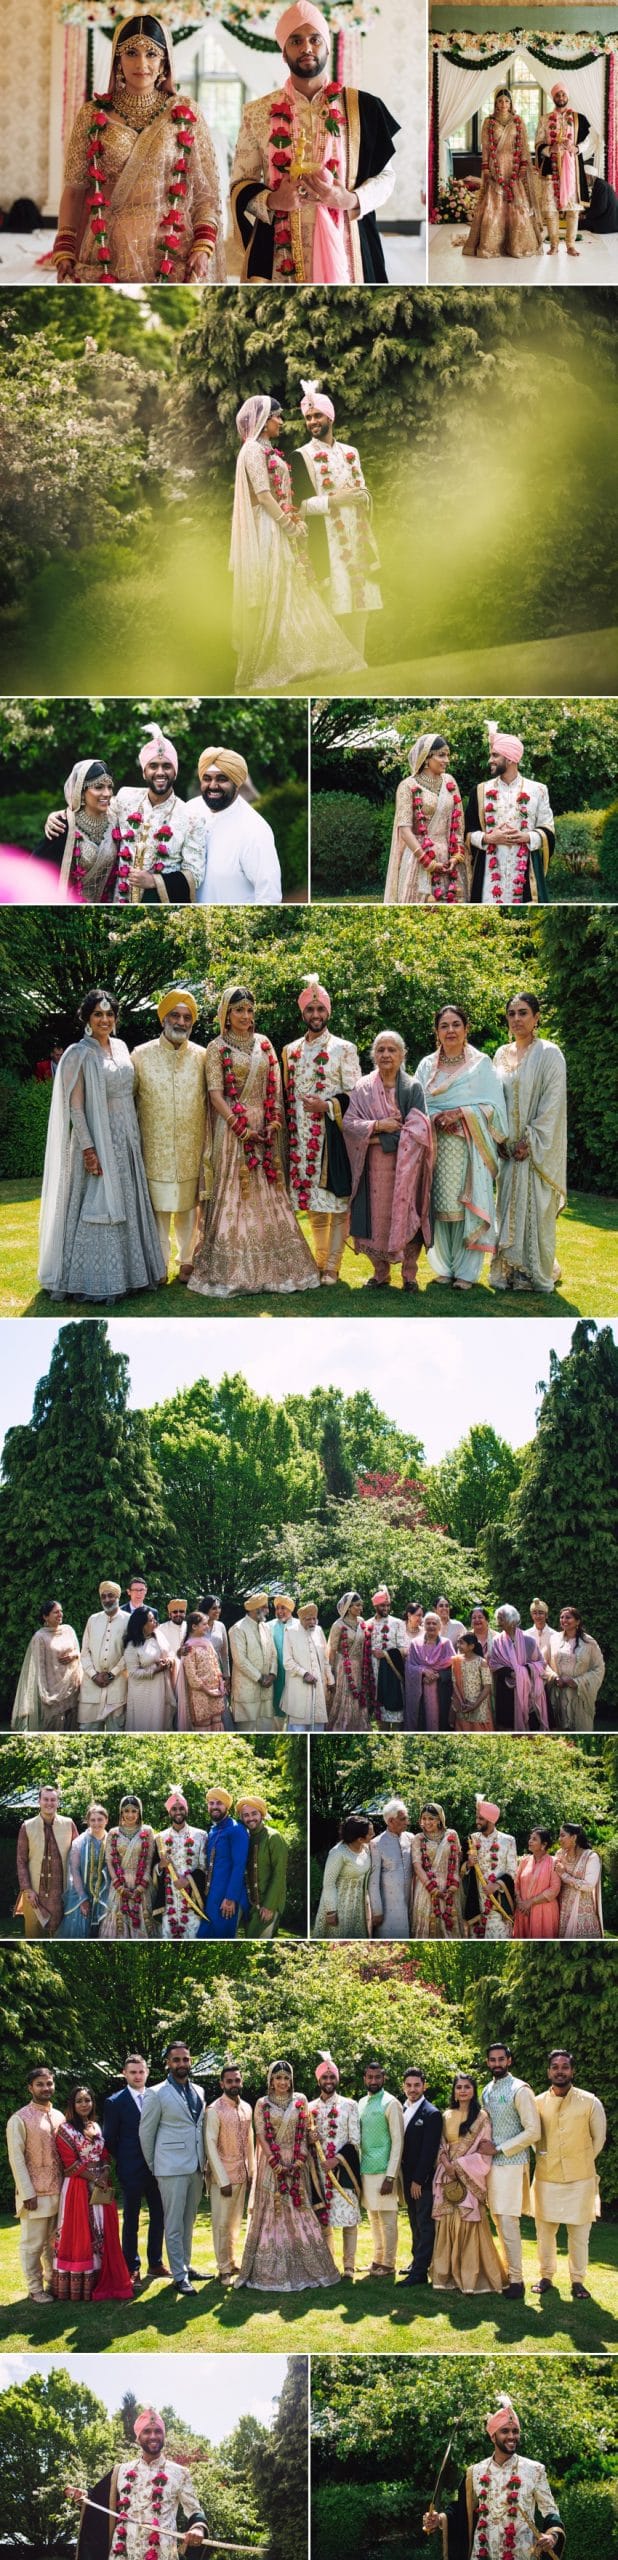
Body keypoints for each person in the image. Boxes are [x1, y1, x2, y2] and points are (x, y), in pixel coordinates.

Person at [231, 0, 398, 284]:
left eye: (314, 39)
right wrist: (273, 200)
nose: (306, 47)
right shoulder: (257, 112)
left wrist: (351, 199)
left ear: (328, 47)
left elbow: (387, 176)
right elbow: (240, 183)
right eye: (296, 40)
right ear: (284, 53)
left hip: (347, 247)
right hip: (279, 254)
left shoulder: (365, 108)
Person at [52, 14, 224, 284]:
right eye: (131, 52)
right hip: (108, 247)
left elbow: (206, 193)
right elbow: (75, 189)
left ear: (164, 61)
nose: (141, 63)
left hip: (173, 248)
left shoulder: (185, 113)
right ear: (118, 59)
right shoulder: (92, 115)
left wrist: (204, 245)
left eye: (151, 53)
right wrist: (64, 246)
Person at [188, 983, 319, 1299]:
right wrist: (238, 1126)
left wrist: (273, 1123)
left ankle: (277, 1266)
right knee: (235, 1192)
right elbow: (215, 1094)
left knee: (268, 1192)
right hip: (233, 1130)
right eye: (239, 1010)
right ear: (226, 1014)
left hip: (265, 1129)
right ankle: (231, 1267)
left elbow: (274, 1087)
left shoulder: (264, 1044)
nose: (246, 1016)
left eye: (249, 1010)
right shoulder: (217, 1048)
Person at [38, 987, 166, 1302]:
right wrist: (88, 1148)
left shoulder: (122, 1048)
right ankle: (94, 1277)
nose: (104, 1019)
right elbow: (75, 1106)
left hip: (127, 1138)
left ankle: (133, 1273)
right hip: (99, 1137)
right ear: (87, 1018)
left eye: (109, 1014)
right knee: (98, 1204)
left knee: (128, 1201)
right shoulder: (78, 1053)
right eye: (98, 1014)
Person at [230, 396, 361, 693]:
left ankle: (304, 657)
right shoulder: (252, 450)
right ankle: (266, 667)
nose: (281, 422)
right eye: (277, 417)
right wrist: (288, 524)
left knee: (292, 589)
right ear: (265, 421)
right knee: (276, 589)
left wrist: (293, 519)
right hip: (267, 527)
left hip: (276, 524)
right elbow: (263, 495)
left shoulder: (265, 449)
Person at [415, 1004, 508, 1287]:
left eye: (456, 1024)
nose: (451, 1030)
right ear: (437, 1032)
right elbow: (417, 1107)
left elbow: (495, 1106)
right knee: (441, 1206)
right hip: (437, 1146)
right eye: (444, 1026)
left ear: (466, 1029)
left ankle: (467, 1273)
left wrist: (462, 1114)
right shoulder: (426, 1065)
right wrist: (436, 1117)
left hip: (470, 1148)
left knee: (466, 1206)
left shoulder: (480, 1064)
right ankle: (445, 1267)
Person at [291, 382, 382, 660]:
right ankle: (343, 667)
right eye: (308, 417)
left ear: (330, 417)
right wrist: (334, 501)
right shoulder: (302, 457)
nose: (312, 422)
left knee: (363, 603)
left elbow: (364, 489)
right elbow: (300, 506)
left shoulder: (351, 452)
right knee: (336, 606)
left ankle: (361, 664)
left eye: (317, 416)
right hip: (328, 542)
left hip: (359, 537)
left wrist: (361, 497)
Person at [283, 975, 361, 1283]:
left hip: (333, 1136)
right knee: (312, 1202)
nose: (316, 1015)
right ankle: (318, 1261)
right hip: (299, 1138)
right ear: (303, 1013)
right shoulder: (290, 1050)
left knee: (335, 1202)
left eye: (321, 1009)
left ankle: (333, 1265)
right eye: (310, 1009)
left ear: (328, 1011)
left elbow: (357, 1094)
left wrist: (327, 1106)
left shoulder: (344, 1048)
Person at [423, 2393, 565, 2560]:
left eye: (515, 2431)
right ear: (493, 2436)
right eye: (505, 2431)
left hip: (523, 2555)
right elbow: (461, 2510)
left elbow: (550, 2510)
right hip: (482, 2554)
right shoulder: (474, 2472)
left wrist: (552, 2536)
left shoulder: (535, 2470)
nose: (512, 2436)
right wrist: (439, 2520)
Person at [344, 1030, 432, 1291]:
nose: (385, 1054)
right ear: (373, 1055)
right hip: (371, 1171)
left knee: (407, 1216)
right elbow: (350, 1125)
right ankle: (380, 1274)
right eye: (380, 1049)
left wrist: (377, 1138)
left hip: (407, 1169)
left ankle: (410, 1276)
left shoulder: (412, 1087)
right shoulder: (362, 1088)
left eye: (391, 1049)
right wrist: (379, 1126)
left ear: (402, 1055)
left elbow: (419, 1130)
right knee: (374, 1220)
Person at [491, 993, 567, 1295]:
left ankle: (531, 1273)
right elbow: (494, 1100)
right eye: (511, 1013)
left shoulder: (550, 1054)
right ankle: (508, 1270)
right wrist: (497, 1136)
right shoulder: (499, 1055)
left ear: (537, 1017)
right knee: (506, 1209)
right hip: (508, 1153)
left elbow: (553, 1104)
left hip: (534, 1152)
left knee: (534, 1210)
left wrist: (530, 1140)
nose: (517, 1019)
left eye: (523, 1013)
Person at [238, 2060, 338, 2290]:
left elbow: (304, 2133)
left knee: (299, 2208)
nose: (283, 2082)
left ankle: (307, 2266)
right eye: (278, 2078)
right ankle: (267, 2270)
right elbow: (261, 2135)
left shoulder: (300, 2100)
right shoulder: (262, 2103)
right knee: (273, 2211)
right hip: (271, 2164)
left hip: (296, 2162)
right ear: (270, 2081)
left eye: (286, 2078)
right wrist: (275, 2163)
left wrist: (299, 2160)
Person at [132, 990, 208, 1281]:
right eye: (174, 1015)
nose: (181, 1021)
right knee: (158, 1209)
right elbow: (128, 1099)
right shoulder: (140, 1055)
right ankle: (158, 1263)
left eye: (187, 1017)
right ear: (163, 1018)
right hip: (155, 1146)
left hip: (192, 1144)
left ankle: (187, 1261)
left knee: (189, 1208)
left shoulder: (202, 1056)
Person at [69, 2408, 207, 2560]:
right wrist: (81, 2495)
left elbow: (194, 2510)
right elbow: (96, 2499)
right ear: (138, 2437)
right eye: (147, 2431)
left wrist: (198, 2528)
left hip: (163, 2554)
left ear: (164, 2436)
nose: (153, 2436)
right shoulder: (120, 2471)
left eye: (158, 2431)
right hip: (121, 2554)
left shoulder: (180, 2473)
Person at [532, 2048, 607, 2300]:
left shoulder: (590, 2102)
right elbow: (533, 2137)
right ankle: (546, 2276)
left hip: (581, 2179)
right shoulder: (538, 2103)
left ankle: (577, 2281)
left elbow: (599, 2139)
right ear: (549, 2071)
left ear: (572, 2071)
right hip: (546, 2178)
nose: (560, 2070)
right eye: (555, 2066)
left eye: (565, 2066)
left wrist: (580, 2160)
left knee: (579, 2236)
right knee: (544, 2234)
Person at [52, 2082, 132, 2304]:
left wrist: (105, 2170)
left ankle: (102, 2276)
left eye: (87, 2100)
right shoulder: (65, 2130)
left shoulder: (95, 2126)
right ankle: (81, 2284)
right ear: (72, 2104)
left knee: (103, 2229)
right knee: (81, 2232)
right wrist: (95, 2178)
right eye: (79, 2101)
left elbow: (104, 2153)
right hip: (78, 2187)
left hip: (101, 2185)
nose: (84, 2104)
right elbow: (70, 2164)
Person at [139, 2041, 206, 2295]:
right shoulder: (156, 2093)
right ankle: (178, 2276)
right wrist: (157, 2167)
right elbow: (146, 2134)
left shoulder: (199, 2090)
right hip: (170, 2168)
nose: (182, 2064)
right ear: (167, 2062)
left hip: (196, 2166)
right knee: (174, 2223)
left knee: (188, 2221)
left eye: (185, 2059)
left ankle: (185, 2267)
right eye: (176, 2060)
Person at [431, 2071, 505, 2295]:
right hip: (447, 2175)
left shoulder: (482, 2117)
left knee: (469, 2222)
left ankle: (471, 2276)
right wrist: (447, 2164)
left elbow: (484, 2150)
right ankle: (446, 2275)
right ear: (454, 2091)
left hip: (469, 2175)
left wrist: (459, 2166)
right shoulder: (446, 2115)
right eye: (459, 2087)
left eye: (467, 2087)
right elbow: (441, 2145)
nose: (462, 2091)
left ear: (474, 2091)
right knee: (446, 2223)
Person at [466, 726, 555, 906]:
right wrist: (488, 838)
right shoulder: (480, 791)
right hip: (488, 874)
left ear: (510, 758)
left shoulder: (538, 790)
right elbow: (467, 832)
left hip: (524, 871)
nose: (490, 760)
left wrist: (526, 836)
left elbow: (549, 830)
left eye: (495, 755)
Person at [482, 2040, 542, 2301]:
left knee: (508, 2222)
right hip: (489, 2167)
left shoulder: (521, 2089)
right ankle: (508, 2274)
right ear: (488, 2063)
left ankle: (517, 2280)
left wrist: (500, 2148)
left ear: (509, 2060)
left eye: (501, 2059)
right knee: (497, 2220)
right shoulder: (486, 2090)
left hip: (511, 2164)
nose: (497, 2064)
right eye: (492, 2060)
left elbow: (533, 2131)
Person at [102, 2055, 166, 2287]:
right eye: (133, 2072)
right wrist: (126, 2160)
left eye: (141, 2072)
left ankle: (156, 2262)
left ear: (147, 2072)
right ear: (124, 2074)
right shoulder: (114, 2102)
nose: (138, 2076)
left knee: (159, 2216)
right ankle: (132, 2266)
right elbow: (109, 2138)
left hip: (158, 2168)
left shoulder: (158, 2097)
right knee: (131, 2219)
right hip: (131, 2169)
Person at [383, 734, 468, 906]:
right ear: (427, 758)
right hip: (419, 857)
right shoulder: (407, 786)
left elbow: (458, 823)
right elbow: (404, 829)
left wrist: (457, 855)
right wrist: (426, 861)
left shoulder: (450, 781)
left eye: (448, 755)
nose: (447, 760)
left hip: (449, 857)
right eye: (441, 755)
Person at [190, 748, 282, 906]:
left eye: (221, 779)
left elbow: (269, 895)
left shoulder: (255, 829)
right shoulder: (190, 810)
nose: (213, 785)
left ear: (237, 783)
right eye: (207, 778)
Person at [6, 2062, 63, 2305]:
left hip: (59, 2190)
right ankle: (34, 2288)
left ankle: (53, 2282)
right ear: (30, 2088)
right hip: (35, 2194)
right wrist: (26, 2192)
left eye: (49, 2083)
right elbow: (16, 2158)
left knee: (54, 2243)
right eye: (40, 2084)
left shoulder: (59, 2115)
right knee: (33, 2244)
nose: (45, 2088)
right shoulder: (19, 2119)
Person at [462, 89, 543, 261]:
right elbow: (485, 147)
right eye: (500, 101)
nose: (503, 104)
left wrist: (522, 165)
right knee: (494, 203)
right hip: (495, 165)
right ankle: (491, 245)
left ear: (511, 103)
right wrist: (485, 167)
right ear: (495, 103)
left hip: (513, 166)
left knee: (517, 202)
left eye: (506, 101)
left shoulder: (518, 122)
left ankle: (518, 244)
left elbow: (522, 147)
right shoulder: (489, 122)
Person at [34, 760, 118, 902]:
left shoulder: (116, 820)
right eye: (98, 787)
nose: (107, 793)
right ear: (81, 791)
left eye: (110, 787)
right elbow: (37, 873)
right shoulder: (64, 825)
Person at [310, 2052, 362, 2278]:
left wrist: (336, 2160)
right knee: (323, 2220)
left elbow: (355, 2140)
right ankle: (329, 2264)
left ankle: (349, 2266)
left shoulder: (349, 2105)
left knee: (349, 2218)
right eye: (325, 2077)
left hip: (343, 2169)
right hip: (319, 2173)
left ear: (337, 2079)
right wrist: (308, 2139)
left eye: (332, 2077)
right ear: (318, 2080)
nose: (328, 2081)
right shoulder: (309, 2108)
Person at [206, 2061, 255, 2284]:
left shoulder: (246, 2107)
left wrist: (252, 2170)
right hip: (223, 2178)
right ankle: (223, 2268)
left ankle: (233, 2261)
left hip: (242, 2175)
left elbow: (250, 2140)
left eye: (237, 2080)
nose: (234, 2084)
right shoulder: (214, 2110)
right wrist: (221, 2178)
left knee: (236, 2222)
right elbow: (210, 2144)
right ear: (221, 2083)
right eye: (229, 2081)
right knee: (221, 2223)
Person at [358, 2059, 404, 2277]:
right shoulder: (361, 2103)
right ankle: (377, 2259)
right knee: (373, 2218)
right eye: (370, 2077)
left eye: (377, 2077)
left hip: (385, 2170)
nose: (373, 2081)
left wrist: (390, 2175)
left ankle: (389, 2263)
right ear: (365, 2078)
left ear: (384, 2078)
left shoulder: (391, 2102)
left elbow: (398, 2141)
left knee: (387, 2220)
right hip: (365, 2170)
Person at [15, 1784, 78, 1940]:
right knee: (34, 1934)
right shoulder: (27, 1826)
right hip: (34, 1895)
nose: (49, 1803)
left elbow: (79, 1855)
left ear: (58, 1802)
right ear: (39, 1801)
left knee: (61, 1937)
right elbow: (21, 1861)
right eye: (46, 1799)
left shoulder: (69, 1824)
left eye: (53, 1800)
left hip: (62, 1894)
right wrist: (27, 1889)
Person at [398, 2066, 442, 2289]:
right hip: (405, 2177)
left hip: (421, 2181)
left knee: (425, 2223)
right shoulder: (402, 2109)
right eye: (409, 2085)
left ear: (424, 2086)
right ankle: (416, 2261)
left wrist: (419, 2180)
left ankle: (421, 2272)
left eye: (417, 2085)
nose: (412, 2089)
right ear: (403, 2086)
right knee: (414, 2221)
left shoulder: (431, 2113)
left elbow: (429, 2151)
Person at [536, 82, 591, 256]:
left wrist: (576, 148)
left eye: (563, 94)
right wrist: (550, 149)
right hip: (551, 171)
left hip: (572, 170)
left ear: (567, 97)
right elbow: (538, 143)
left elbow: (588, 140)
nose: (561, 97)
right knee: (550, 210)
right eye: (558, 95)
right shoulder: (544, 119)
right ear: (553, 97)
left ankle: (570, 245)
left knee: (573, 209)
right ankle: (553, 244)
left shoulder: (578, 118)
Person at [11, 1601, 82, 1732]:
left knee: (72, 1723)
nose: (60, 1614)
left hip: (72, 1685)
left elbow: (78, 1652)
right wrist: (45, 1693)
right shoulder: (40, 1637)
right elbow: (40, 1667)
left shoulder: (68, 1630)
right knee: (54, 1725)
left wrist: (74, 1655)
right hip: (52, 1689)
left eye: (61, 1611)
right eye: (56, 1612)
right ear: (45, 1617)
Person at [154, 1789, 209, 1940]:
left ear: (186, 1810)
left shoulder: (201, 1835)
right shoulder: (160, 1838)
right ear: (169, 1812)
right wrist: (161, 1866)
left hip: (192, 1899)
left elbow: (205, 1867)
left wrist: (188, 1880)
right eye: (174, 1809)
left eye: (181, 1808)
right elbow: (153, 1868)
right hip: (168, 1901)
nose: (178, 1812)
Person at [100, 1794, 156, 1940]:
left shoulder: (147, 1831)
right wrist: (118, 1885)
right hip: (119, 1884)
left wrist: (143, 1884)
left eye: (134, 1811)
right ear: (121, 1813)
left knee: (144, 1918)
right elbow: (109, 1860)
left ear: (139, 1813)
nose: (130, 1815)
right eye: (126, 1811)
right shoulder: (113, 1833)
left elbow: (149, 1859)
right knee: (118, 1921)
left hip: (142, 1883)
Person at [461, 1795, 517, 1941]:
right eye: (477, 1817)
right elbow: (462, 1869)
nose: (477, 1822)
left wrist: (497, 1885)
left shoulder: (508, 1840)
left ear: (491, 1820)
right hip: (476, 1902)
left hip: (498, 1901)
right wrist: (468, 1865)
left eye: (481, 1819)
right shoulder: (472, 1839)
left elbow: (512, 1872)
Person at [198, 1787, 250, 1940]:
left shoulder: (236, 1830)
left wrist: (230, 1898)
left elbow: (239, 1865)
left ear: (226, 1806)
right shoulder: (213, 1831)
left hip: (226, 1899)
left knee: (222, 1936)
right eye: (211, 1803)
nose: (214, 1806)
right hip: (211, 1896)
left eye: (219, 1803)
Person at [236, 1792, 289, 1937]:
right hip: (251, 1905)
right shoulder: (246, 1838)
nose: (250, 1818)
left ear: (261, 1814)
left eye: (254, 1813)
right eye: (246, 1815)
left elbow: (279, 1874)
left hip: (268, 1904)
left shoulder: (274, 1837)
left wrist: (269, 1906)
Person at [78, 1581, 129, 1731]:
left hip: (118, 1685)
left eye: (111, 1596)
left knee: (117, 1731)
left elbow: (130, 1652)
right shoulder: (93, 1620)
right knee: (88, 1731)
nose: (107, 1600)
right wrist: (94, 1675)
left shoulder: (129, 1619)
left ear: (118, 1597)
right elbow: (85, 1651)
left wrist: (112, 1674)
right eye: (103, 1597)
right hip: (91, 1687)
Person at [489, 1604, 548, 1731]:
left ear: (512, 1620)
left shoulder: (529, 1640)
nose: (498, 1621)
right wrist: (510, 1673)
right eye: (498, 1618)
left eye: (501, 1618)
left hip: (529, 1687)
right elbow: (493, 1664)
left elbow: (541, 1663)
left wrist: (524, 1670)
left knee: (532, 1724)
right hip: (506, 1687)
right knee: (507, 1725)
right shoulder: (496, 1641)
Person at [314, 1814, 372, 1938]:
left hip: (358, 1906)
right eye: (370, 1833)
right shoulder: (338, 1853)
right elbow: (328, 1883)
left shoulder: (366, 1849)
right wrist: (331, 1911)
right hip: (340, 1906)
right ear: (359, 1839)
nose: (373, 1835)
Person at [410, 1803, 463, 1938]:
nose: (427, 1822)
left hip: (450, 1887)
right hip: (427, 1889)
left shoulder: (451, 1834)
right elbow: (417, 1866)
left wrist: (453, 1887)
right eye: (424, 1818)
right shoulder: (418, 1839)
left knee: (450, 1922)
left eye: (431, 1819)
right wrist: (433, 1889)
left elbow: (456, 1861)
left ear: (439, 1819)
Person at [547, 1609, 605, 1730]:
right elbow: (543, 1663)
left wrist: (577, 1682)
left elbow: (599, 1668)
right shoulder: (554, 1639)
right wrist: (555, 1677)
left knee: (581, 1726)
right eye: (562, 1617)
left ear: (577, 1621)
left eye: (568, 1617)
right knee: (559, 1727)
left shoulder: (589, 1642)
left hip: (580, 1695)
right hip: (559, 1692)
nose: (564, 1620)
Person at [59, 1802, 111, 1939]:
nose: (96, 1823)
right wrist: (83, 1898)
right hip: (82, 1894)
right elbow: (74, 1870)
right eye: (92, 1820)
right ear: (87, 1821)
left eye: (100, 1819)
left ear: (106, 1820)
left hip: (106, 1896)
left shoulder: (113, 1841)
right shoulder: (79, 1842)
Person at [229, 1591, 279, 1731]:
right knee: (247, 1728)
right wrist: (260, 1678)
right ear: (255, 1609)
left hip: (267, 1687)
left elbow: (273, 1653)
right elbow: (240, 1660)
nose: (268, 1610)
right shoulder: (237, 1629)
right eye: (265, 1607)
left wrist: (272, 1675)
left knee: (267, 1727)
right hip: (247, 1687)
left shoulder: (265, 1627)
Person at [282, 1599, 333, 1729]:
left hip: (319, 1688)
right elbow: (287, 1661)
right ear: (300, 1619)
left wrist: (331, 1680)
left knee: (318, 1726)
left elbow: (325, 1658)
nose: (312, 1622)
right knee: (299, 1728)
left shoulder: (319, 1630)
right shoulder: (290, 1631)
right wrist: (304, 1674)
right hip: (299, 1687)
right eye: (308, 1619)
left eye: (314, 1619)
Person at [123, 1606, 176, 1731]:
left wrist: (168, 1661)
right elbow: (133, 1673)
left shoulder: (158, 1637)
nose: (155, 1623)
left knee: (160, 1720)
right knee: (145, 1722)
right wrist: (155, 1670)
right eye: (151, 1620)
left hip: (160, 1688)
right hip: (142, 1692)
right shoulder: (132, 1646)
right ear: (142, 1624)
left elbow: (171, 1654)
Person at [327, 1592, 371, 1729]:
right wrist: (331, 1675)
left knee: (358, 1697)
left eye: (361, 1605)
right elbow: (332, 1650)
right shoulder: (338, 1625)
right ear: (349, 1607)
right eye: (357, 1605)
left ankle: (358, 1725)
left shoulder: (361, 1622)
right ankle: (343, 1726)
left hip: (359, 1666)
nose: (360, 1608)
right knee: (346, 1697)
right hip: (343, 1667)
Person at [369, 1799, 412, 1939]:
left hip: (411, 1900)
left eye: (407, 1818)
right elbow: (373, 1881)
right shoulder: (376, 1844)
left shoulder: (411, 1838)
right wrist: (377, 1910)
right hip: (389, 1905)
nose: (407, 1822)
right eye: (403, 1818)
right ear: (391, 1821)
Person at [366, 1585, 408, 1730]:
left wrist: (384, 1654)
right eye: (382, 1605)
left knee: (396, 1715)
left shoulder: (397, 1623)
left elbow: (404, 1649)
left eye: (388, 1605)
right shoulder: (367, 1624)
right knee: (380, 1715)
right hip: (374, 1674)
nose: (386, 1608)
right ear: (375, 1605)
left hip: (392, 1673)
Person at [175, 1612, 226, 1730]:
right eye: (204, 1624)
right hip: (200, 1693)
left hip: (216, 1690)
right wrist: (207, 1691)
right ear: (194, 1626)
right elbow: (192, 1676)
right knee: (204, 1724)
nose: (207, 1627)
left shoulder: (207, 1643)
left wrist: (220, 1683)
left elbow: (215, 1664)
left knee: (217, 1722)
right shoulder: (188, 1647)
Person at [405, 1613, 455, 1732]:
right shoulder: (415, 1643)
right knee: (422, 1723)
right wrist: (423, 1671)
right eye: (428, 1623)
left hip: (442, 1689)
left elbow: (454, 1666)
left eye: (434, 1623)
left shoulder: (446, 1643)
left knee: (442, 1722)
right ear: (424, 1625)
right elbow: (409, 1666)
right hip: (421, 1687)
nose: (431, 1626)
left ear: (439, 1626)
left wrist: (437, 1675)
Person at [555, 1823, 604, 1937]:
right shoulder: (560, 1854)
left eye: (562, 1835)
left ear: (574, 1837)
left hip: (582, 1909)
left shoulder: (591, 1857)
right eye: (559, 1835)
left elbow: (589, 1885)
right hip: (562, 1906)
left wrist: (564, 1875)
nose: (559, 1839)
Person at [513, 1828, 562, 1940]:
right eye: (530, 1838)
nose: (530, 1841)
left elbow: (554, 1889)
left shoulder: (554, 1862)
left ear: (543, 1845)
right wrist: (520, 1902)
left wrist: (530, 1902)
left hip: (544, 1912)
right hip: (522, 1911)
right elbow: (516, 1883)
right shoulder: (524, 1861)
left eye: (534, 1839)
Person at [450, 1633, 495, 1731]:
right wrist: (462, 1702)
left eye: (461, 1643)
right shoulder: (456, 1661)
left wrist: (475, 1705)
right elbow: (454, 1683)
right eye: (458, 1643)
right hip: (463, 1705)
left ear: (471, 1646)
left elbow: (487, 1686)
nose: (458, 1646)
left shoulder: (481, 1662)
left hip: (479, 1705)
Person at [271, 1594, 299, 1720]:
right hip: (276, 1672)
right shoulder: (268, 1626)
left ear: (290, 1609)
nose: (280, 1612)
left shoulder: (299, 1625)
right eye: (277, 1608)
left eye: (283, 1608)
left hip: (295, 1671)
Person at [158, 1597, 188, 1666]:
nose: (178, 1614)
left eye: (181, 1611)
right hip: (169, 1668)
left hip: (188, 1667)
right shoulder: (160, 1629)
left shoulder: (190, 1627)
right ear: (169, 1614)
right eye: (175, 1612)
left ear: (185, 1613)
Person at [529, 1596, 559, 1663]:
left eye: (540, 1613)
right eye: (534, 1613)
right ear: (531, 1615)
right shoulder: (525, 1634)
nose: (537, 1616)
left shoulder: (555, 1635)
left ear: (546, 1615)